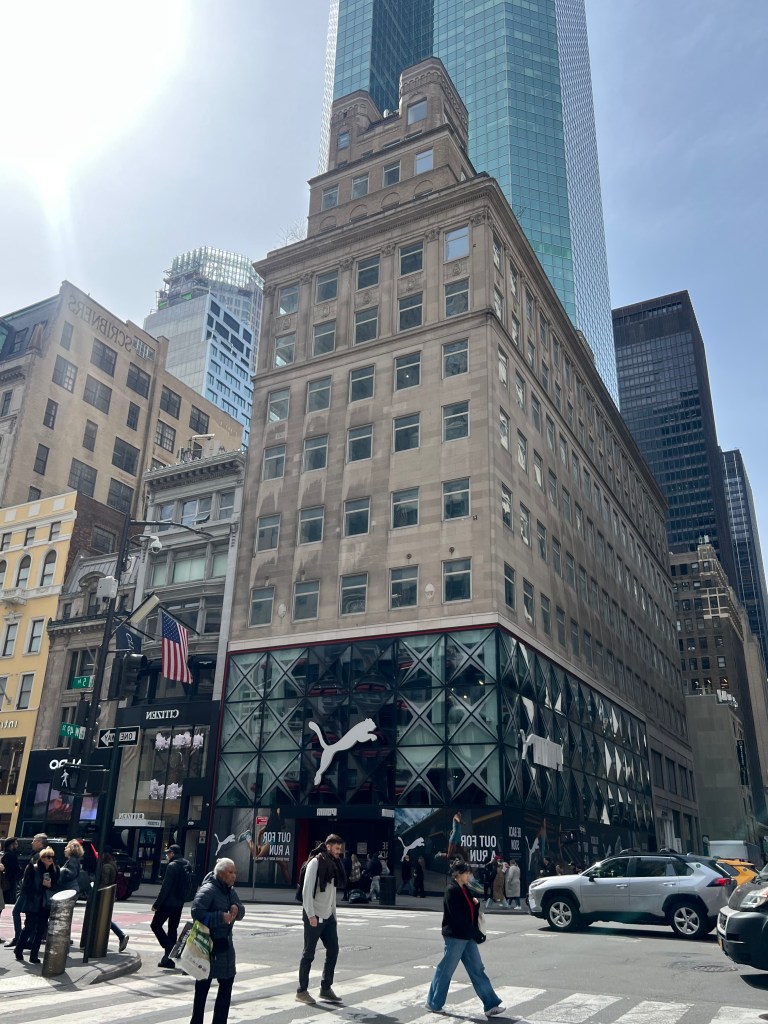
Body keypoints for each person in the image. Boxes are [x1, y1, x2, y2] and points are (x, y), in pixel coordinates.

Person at [425, 858, 504, 1018]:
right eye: (467, 873)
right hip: (456, 937)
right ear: (458, 874)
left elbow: (469, 911)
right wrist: (476, 933)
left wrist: (475, 906)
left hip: (466, 936)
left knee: (477, 969)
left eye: (469, 873)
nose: (469, 875)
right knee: (446, 970)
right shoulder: (452, 890)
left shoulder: (464, 889)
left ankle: (491, 1004)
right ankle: (433, 1002)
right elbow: (458, 917)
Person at [189, 857, 244, 1024]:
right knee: (203, 987)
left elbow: (241, 912)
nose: (234, 875)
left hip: (225, 946)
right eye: (230, 872)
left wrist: (237, 909)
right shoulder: (209, 889)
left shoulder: (230, 890)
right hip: (208, 945)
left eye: (235, 872)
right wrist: (221, 917)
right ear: (221, 874)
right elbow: (196, 912)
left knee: (226, 986)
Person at [296, 834, 346, 1006]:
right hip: (314, 914)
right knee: (308, 953)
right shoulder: (315, 863)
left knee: (333, 949)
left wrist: (334, 915)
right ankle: (301, 991)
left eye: (340, 848)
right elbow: (306, 891)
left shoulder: (333, 864)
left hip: (328, 915)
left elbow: (331, 893)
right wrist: (310, 915)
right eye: (337, 848)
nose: (339, 852)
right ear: (328, 846)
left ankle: (326, 988)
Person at [15, 846, 59, 964]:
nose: (50, 859)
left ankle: (33, 955)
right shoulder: (32, 868)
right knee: (29, 927)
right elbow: (25, 887)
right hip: (33, 902)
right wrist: (40, 884)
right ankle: (18, 949)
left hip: (45, 904)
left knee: (40, 930)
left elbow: (56, 887)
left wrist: (49, 886)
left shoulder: (54, 870)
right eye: (48, 857)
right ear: (42, 858)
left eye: (52, 857)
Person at [152, 844, 191, 968]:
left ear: (173, 853)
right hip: (179, 902)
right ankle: (169, 959)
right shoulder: (187, 864)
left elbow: (166, 888)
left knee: (155, 925)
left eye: (168, 853)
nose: (167, 855)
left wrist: (157, 904)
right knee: (172, 929)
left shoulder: (172, 866)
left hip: (168, 902)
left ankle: (170, 948)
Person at [7, 833, 46, 949]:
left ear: (40, 842)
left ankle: (20, 938)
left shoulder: (39, 856)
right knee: (32, 917)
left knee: (18, 912)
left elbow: (36, 875)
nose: (32, 842)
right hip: (31, 891)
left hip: (29, 890)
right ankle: (27, 939)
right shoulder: (39, 855)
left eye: (34, 840)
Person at [100, 851, 130, 952]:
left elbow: (104, 882)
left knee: (103, 918)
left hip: (105, 895)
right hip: (110, 895)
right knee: (104, 918)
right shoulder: (113, 864)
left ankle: (120, 935)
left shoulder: (106, 867)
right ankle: (120, 936)